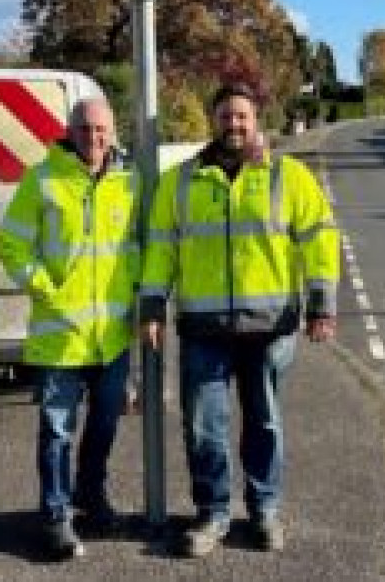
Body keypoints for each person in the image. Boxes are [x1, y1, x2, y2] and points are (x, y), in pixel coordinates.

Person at [139, 83, 340, 557]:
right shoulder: (181, 180)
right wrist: (152, 307)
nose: (234, 124)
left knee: (264, 423)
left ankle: (265, 511)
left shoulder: (287, 176)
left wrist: (322, 306)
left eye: (242, 117)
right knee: (204, 426)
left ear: (257, 121)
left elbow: (320, 241)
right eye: (226, 116)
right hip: (203, 330)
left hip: (269, 328)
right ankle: (213, 515)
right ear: (214, 120)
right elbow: (161, 248)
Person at [0, 97, 139, 559]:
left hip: (112, 339)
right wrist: (44, 286)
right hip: (61, 337)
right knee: (57, 432)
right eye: (83, 129)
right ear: (69, 130)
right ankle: (56, 516)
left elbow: (139, 247)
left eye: (101, 130)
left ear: (113, 132)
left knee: (103, 430)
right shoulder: (41, 180)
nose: (93, 138)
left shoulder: (130, 183)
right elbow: (11, 245)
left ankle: (92, 500)